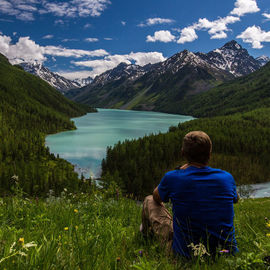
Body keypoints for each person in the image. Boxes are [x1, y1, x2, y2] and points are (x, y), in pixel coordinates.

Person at [141, 131, 239, 258]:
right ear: (209, 154)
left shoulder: (173, 177)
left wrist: (180, 171)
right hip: (225, 254)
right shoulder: (226, 177)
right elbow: (235, 199)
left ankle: (144, 238)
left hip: (187, 254)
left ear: (183, 153)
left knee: (149, 200)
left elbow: (156, 197)